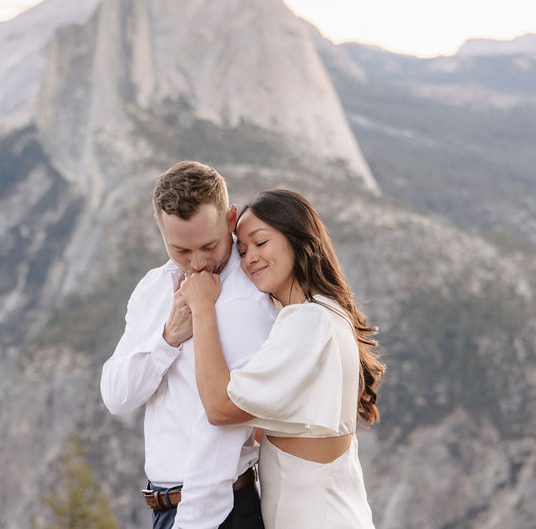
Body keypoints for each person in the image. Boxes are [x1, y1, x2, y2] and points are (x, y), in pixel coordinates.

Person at [180, 188, 384, 528]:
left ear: (298, 239)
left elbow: (219, 407)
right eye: (242, 251)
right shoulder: (322, 316)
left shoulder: (309, 321)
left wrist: (202, 309)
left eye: (261, 243)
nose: (249, 259)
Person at [101, 161, 278, 529]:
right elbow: (117, 396)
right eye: (181, 250)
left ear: (231, 220)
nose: (197, 264)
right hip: (168, 508)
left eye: (209, 247)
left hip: (215, 513)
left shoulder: (247, 301)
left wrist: (190, 523)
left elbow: (225, 425)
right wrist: (167, 339)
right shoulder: (152, 288)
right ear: (159, 226)